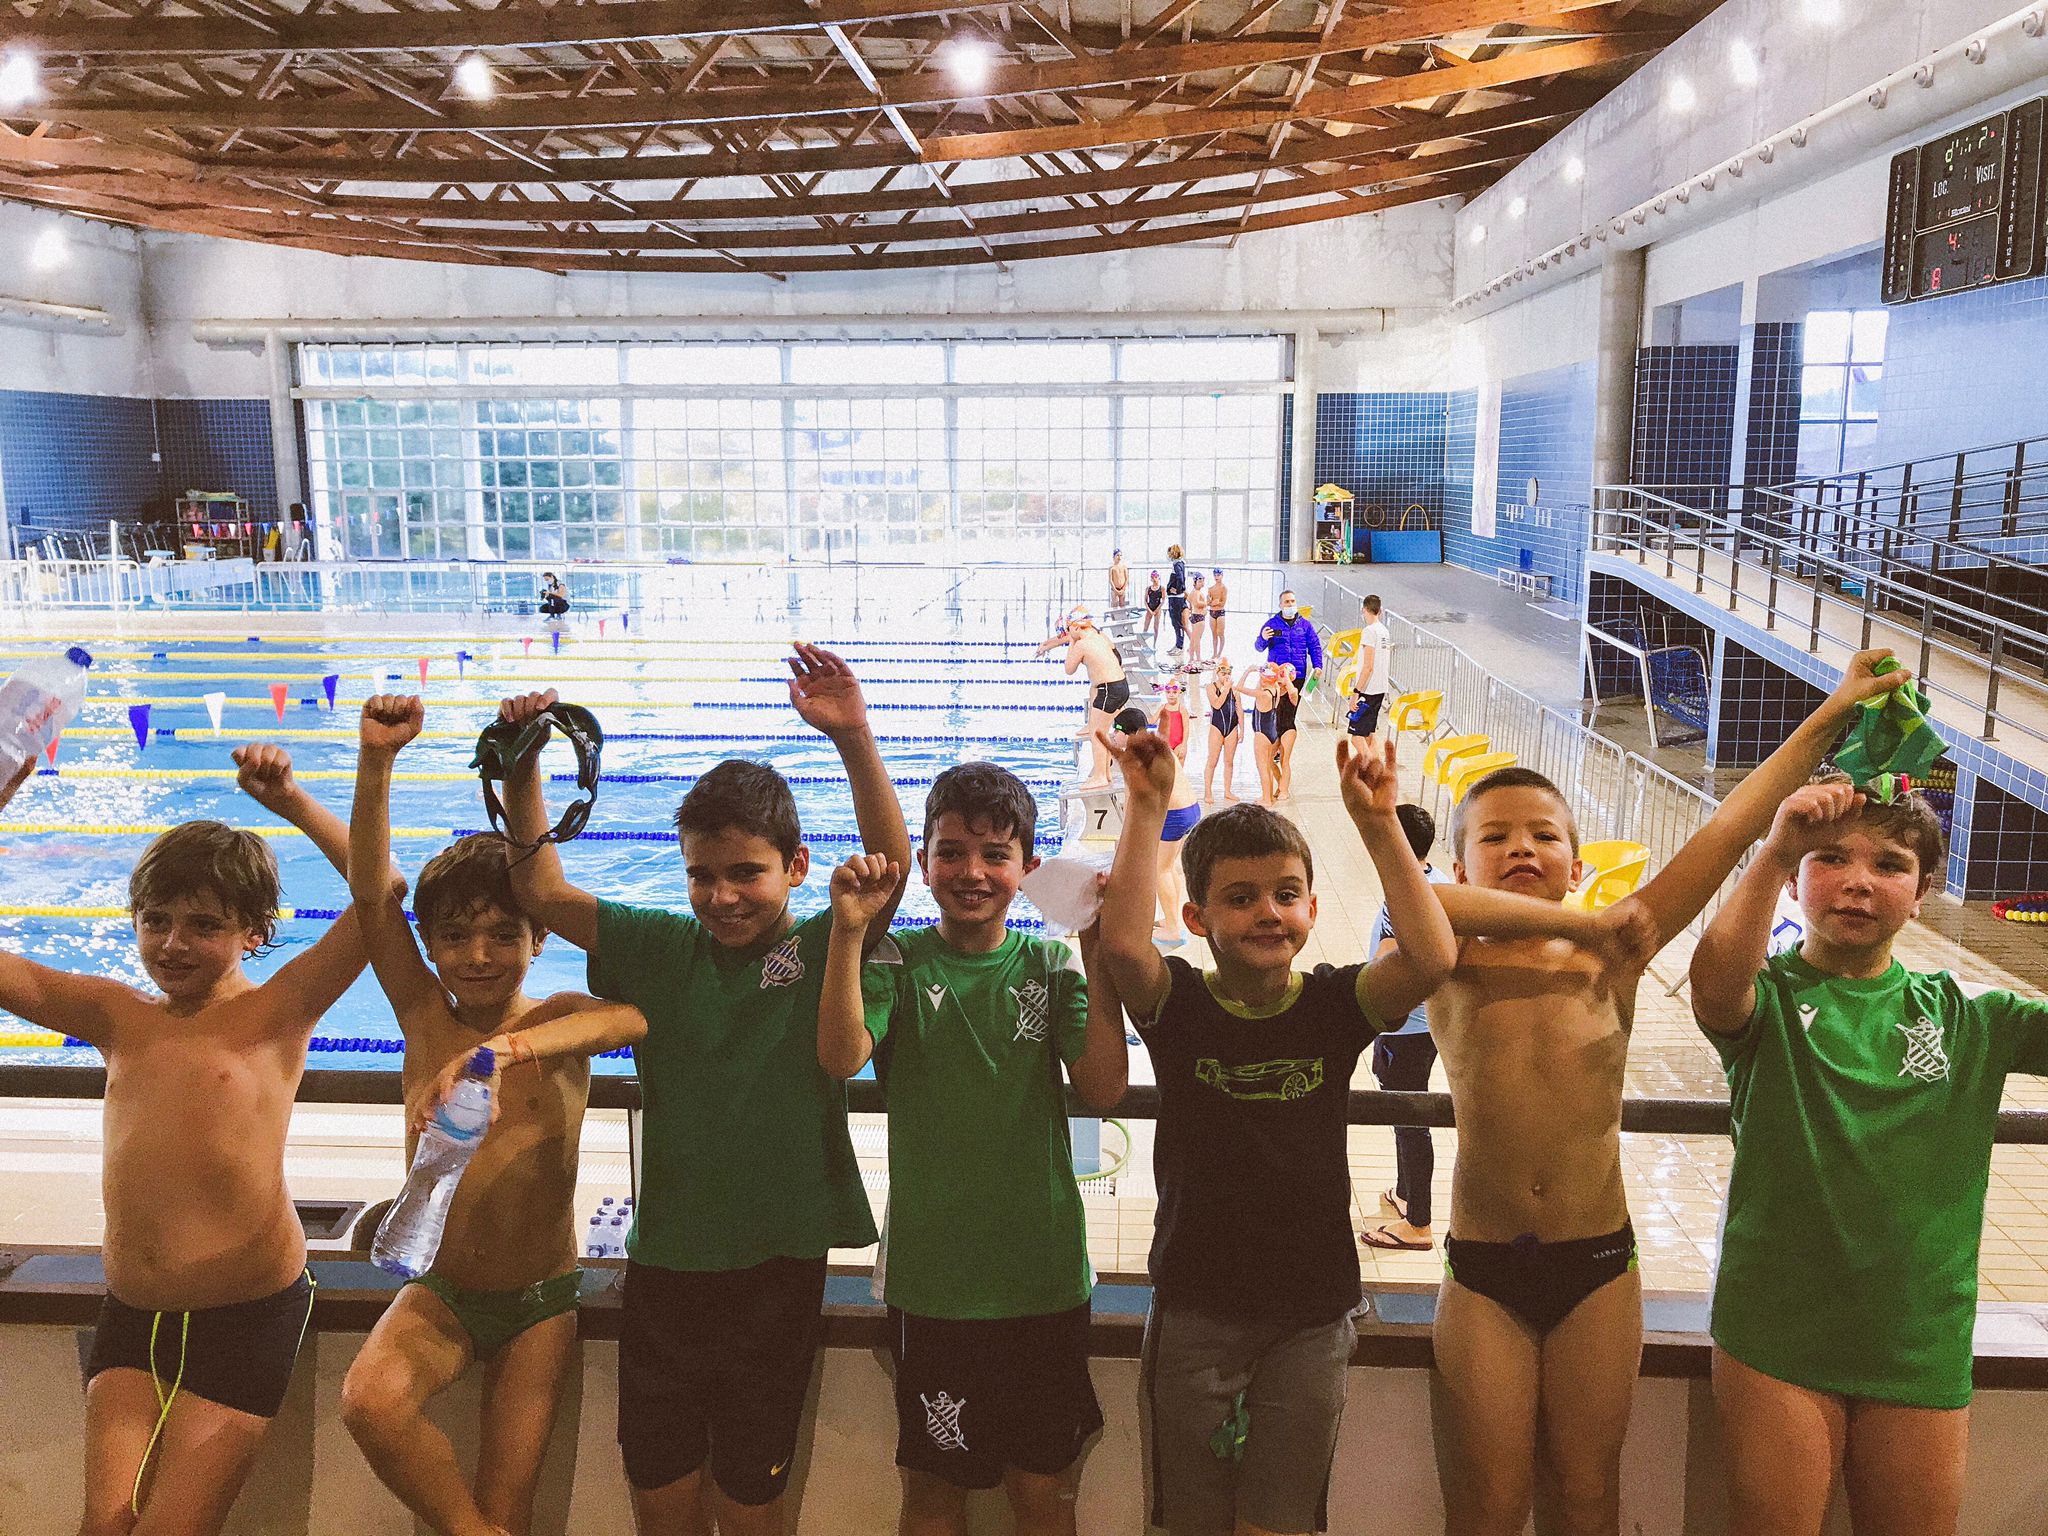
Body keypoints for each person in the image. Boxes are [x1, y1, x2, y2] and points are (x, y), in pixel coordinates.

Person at [1413, 649, 1914, 1536]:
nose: (1522, 847)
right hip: (1483, 1267)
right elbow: (1420, 902)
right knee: (1484, 1509)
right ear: (1459, 864)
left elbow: (1730, 827)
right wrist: (1587, 924)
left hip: (1598, 1263)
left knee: (1587, 1499)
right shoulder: (1446, 955)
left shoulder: (1621, 947)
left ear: (1576, 862)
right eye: (1495, 837)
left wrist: (1837, 707)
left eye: (1544, 835)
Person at [492, 643, 908, 1536]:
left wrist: (852, 736)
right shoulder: (661, 948)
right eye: (701, 875)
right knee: (662, 1496)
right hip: (668, 1266)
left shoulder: (823, 948)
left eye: (745, 872)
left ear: (796, 866)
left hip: (776, 1270)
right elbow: (542, 891)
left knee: (751, 1502)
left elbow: (889, 872)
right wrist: (523, 768)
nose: (721, 897)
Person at [1089, 729, 1457, 1536]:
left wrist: (1379, 824)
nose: (1268, 912)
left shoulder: (1333, 1006)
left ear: (1313, 911)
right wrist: (1146, 805)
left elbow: (1432, 958)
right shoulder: (1179, 1007)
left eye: (1287, 894)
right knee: (1191, 1521)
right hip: (1195, 1309)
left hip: (1312, 1313)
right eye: (1241, 897)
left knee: (1282, 1520)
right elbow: (1120, 944)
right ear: (1195, 917)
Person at [0, 747, 373, 1536]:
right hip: (133, 1313)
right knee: (104, 1528)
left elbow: (383, 896)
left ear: (255, 931)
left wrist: (294, 802)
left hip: (245, 1314)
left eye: (204, 925)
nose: (173, 943)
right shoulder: (117, 1016)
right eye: (156, 921)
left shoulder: (279, 1010)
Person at [1690, 774, 2048, 1536]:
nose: (1858, 882)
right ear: (1795, 882)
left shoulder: (1971, 1017)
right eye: (1830, 859)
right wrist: (1773, 848)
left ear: (1921, 894)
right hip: (1776, 1329)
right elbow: (1714, 981)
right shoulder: (1768, 999)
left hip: (1917, 1336)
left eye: (1889, 865)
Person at [339, 694, 649, 1536]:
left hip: (539, 1302)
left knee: (510, 1502)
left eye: (503, 935)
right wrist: (377, 762)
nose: (478, 956)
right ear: (430, 945)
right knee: (370, 1402)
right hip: (439, 1290)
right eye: (454, 936)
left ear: (538, 937)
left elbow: (630, 1020)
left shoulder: (558, 1021)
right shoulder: (421, 1015)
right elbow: (370, 896)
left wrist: (509, 1050)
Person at [817, 763, 1129, 1536]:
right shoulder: (897, 962)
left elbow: (1103, 1087)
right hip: (936, 1285)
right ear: (923, 865)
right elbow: (840, 1056)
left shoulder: (1050, 966)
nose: (973, 872)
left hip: (1043, 1275)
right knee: (934, 1492)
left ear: (1028, 867)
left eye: (996, 854)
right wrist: (848, 932)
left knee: (1042, 1490)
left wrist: (1096, 947)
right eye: (951, 853)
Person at [1362, 803, 1451, 1254]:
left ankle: (1419, 1223)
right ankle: (1405, 1193)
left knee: (1411, 1122)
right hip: (1422, 1025)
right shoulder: (1435, 881)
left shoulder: (1407, 896)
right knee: (1405, 1117)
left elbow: (1392, 960)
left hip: (1406, 1028)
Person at [1114, 707, 1200, 946]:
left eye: (1117, 730)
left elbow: (1132, 801)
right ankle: (1172, 920)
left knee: (1159, 870)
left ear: (1129, 733)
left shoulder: (1136, 756)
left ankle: (1172, 929)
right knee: (1168, 868)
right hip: (1190, 809)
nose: (1113, 735)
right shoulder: (1156, 744)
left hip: (1174, 815)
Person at [1035, 605, 1128, 791]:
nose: (1068, 635)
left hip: (1108, 690)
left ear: (1076, 627)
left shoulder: (1081, 644)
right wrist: (1047, 644)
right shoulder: (1097, 635)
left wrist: (1072, 643)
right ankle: (1105, 774)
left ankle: (1100, 776)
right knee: (1102, 731)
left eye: (1069, 630)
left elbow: (1069, 669)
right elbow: (1064, 638)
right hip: (1120, 685)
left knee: (1097, 734)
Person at [1253, 589, 1323, 701]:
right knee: (1274, 707)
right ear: (1280, 605)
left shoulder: (1305, 625)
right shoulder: (1271, 624)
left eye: (1292, 601)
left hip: (1297, 674)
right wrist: (1263, 638)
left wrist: (1318, 666)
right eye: (1286, 602)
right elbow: (1258, 647)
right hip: (1276, 675)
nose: (1290, 604)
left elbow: (1315, 647)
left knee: (1291, 708)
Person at [1347, 595, 1393, 739]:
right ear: (1380, 611)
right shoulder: (1384, 631)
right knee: (1368, 735)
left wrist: (1356, 692)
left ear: (1364, 609)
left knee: (1357, 738)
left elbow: (1368, 666)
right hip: (1380, 688)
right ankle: (1374, 755)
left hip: (1368, 690)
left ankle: (1367, 756)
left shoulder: (1369, 631)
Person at [1240, 663, 1283, 808]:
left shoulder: (1262, 694)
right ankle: (1268, 796)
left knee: (1262, 767)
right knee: (1268, 765)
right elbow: (1265, 683)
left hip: (1262, 734)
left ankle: (1267, 800)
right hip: (1272, 731)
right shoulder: (1275, 689)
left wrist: (1248, 671)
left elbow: (1238, 687)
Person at [1202, 658, 1241, 805]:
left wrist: (1242, 729)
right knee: (1212, 760)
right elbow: (1217, 705)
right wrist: (1226, 689)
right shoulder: (1210, 687)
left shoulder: (1234, 689)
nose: (1226, 676)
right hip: (1216, 728)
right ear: (1217, 673)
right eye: (1223, 673)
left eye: (1228, 674)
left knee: (1229, 762)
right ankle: (1208, 792)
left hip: (1232, 727)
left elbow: (1239, 709)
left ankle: (1228, 791)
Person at [1273, 663, 1304, 802]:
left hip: (1288, 729)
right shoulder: (1275, 690)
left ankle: (1284, 790)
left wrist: (1287, 678)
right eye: (1280, 674)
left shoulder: (1294, 692)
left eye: (1284, 675)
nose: (1281, 678)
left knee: (1284, 761)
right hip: (1275, 728)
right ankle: (1281, 784)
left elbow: (1292, 692)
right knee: (1268, 760)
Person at [1152, 678, 1190, 765]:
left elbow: (1186, 728)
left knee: (1178, 768)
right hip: (1165, 744)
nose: (1171, 695)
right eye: (1168, 692)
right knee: (1167, 769)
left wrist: (1184, 745)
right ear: (1165, 693)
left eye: (1174, 692)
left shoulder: (1182, 709)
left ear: (1179, 692)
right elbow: (1152, 721)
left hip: (1179, 744)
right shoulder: (1163, 707)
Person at [1165, 546, 1188, 656]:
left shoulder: (1177, 564)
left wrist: (1178, 590)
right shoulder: (1179, 563)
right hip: (1174, 598)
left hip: (1176, 598)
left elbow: (1181, 579)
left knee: (1177, 623)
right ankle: (1177, 644)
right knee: (1175, 623)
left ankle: (1180, 646)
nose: (1168, 555)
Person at [1207, 569, 1229, 662]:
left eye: (1218, 575)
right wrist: (1213, 603)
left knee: (1220, 633)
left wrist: (1215, 603)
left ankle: (1220, 653)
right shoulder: (1210, 589)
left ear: (1222, 576)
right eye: (1215, 575)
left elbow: (1222, 603)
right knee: (1214, 634)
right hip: (1212, 612)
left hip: (1220, 612)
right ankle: (1215, 653)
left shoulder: (1224, 588)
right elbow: (1208, 602)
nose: (1216, 577)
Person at [1186, 573, 1208, 658]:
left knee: (1193, 639)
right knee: (1197, 639)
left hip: (1195, 615)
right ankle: (1198, 657)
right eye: (1200, 581)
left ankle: (1191, 657)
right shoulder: (1197, 592)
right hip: (1199, 617)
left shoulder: (1193, 592)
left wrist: (1192, 608)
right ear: (1195, 582)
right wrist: (1207, 603)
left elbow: (1189, 599)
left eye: (1203, 581)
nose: (1202, 583)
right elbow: (1197, 603)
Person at [1143, 571, 1164, 645]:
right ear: (1151, 579)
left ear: (1158, 578)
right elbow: (1145, 601)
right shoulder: (1148, 588)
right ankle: (1143, 643)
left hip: (1157, 609)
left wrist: (1156, 610)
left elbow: (1163, 601)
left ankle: (1154, 644)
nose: (1154, 579)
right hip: (1150, 608)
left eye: (1156, 577)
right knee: (1146, 626)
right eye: (1153, 577)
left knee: (1156, 627)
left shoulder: (1162, 588)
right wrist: (1149, 610)